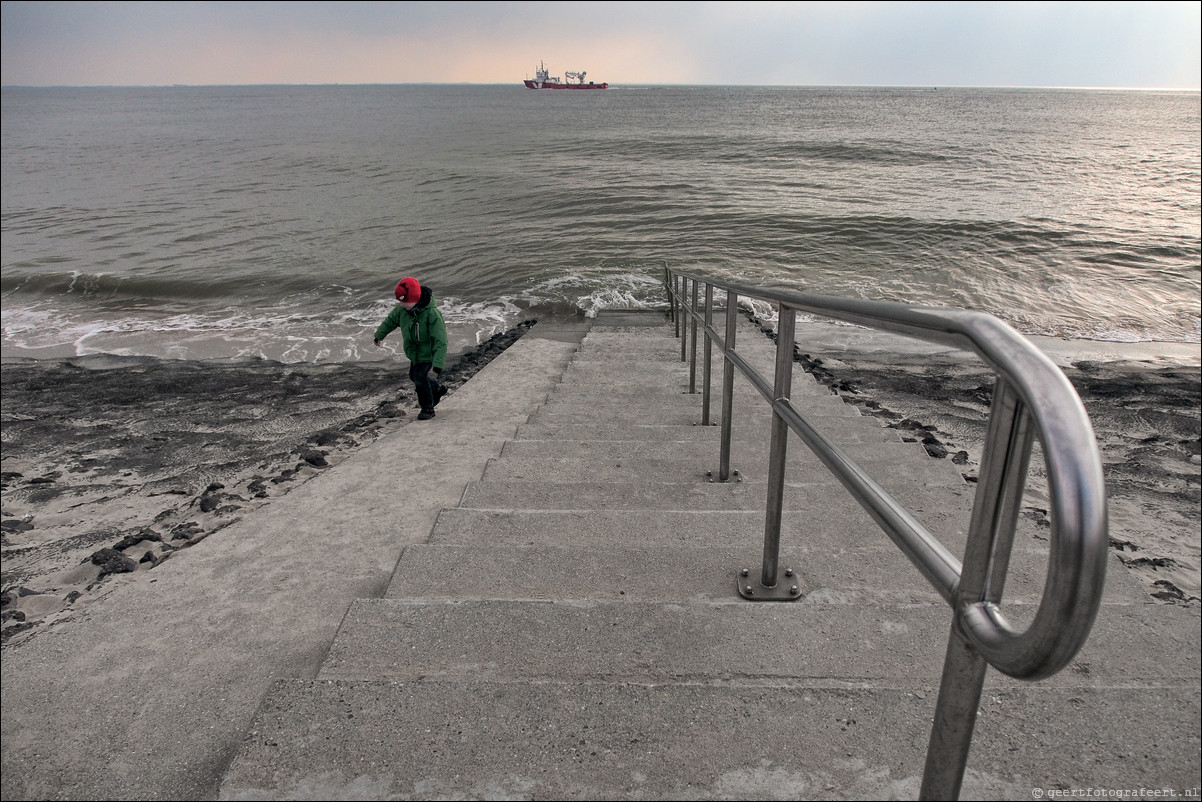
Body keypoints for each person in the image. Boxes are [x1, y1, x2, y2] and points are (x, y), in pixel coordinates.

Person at [373, 276, 448, 420]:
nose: (402, 304)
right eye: (400, 301)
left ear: (416, 298)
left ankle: (428, 408)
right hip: (415, 354)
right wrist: (379, 335)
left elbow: (441, 340)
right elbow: (390, 321)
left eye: (404, 301)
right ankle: (436, 390)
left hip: (428, 354)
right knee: (413, 376)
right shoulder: (402, 310)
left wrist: (438, 364)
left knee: (420, 378)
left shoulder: (431, 314)